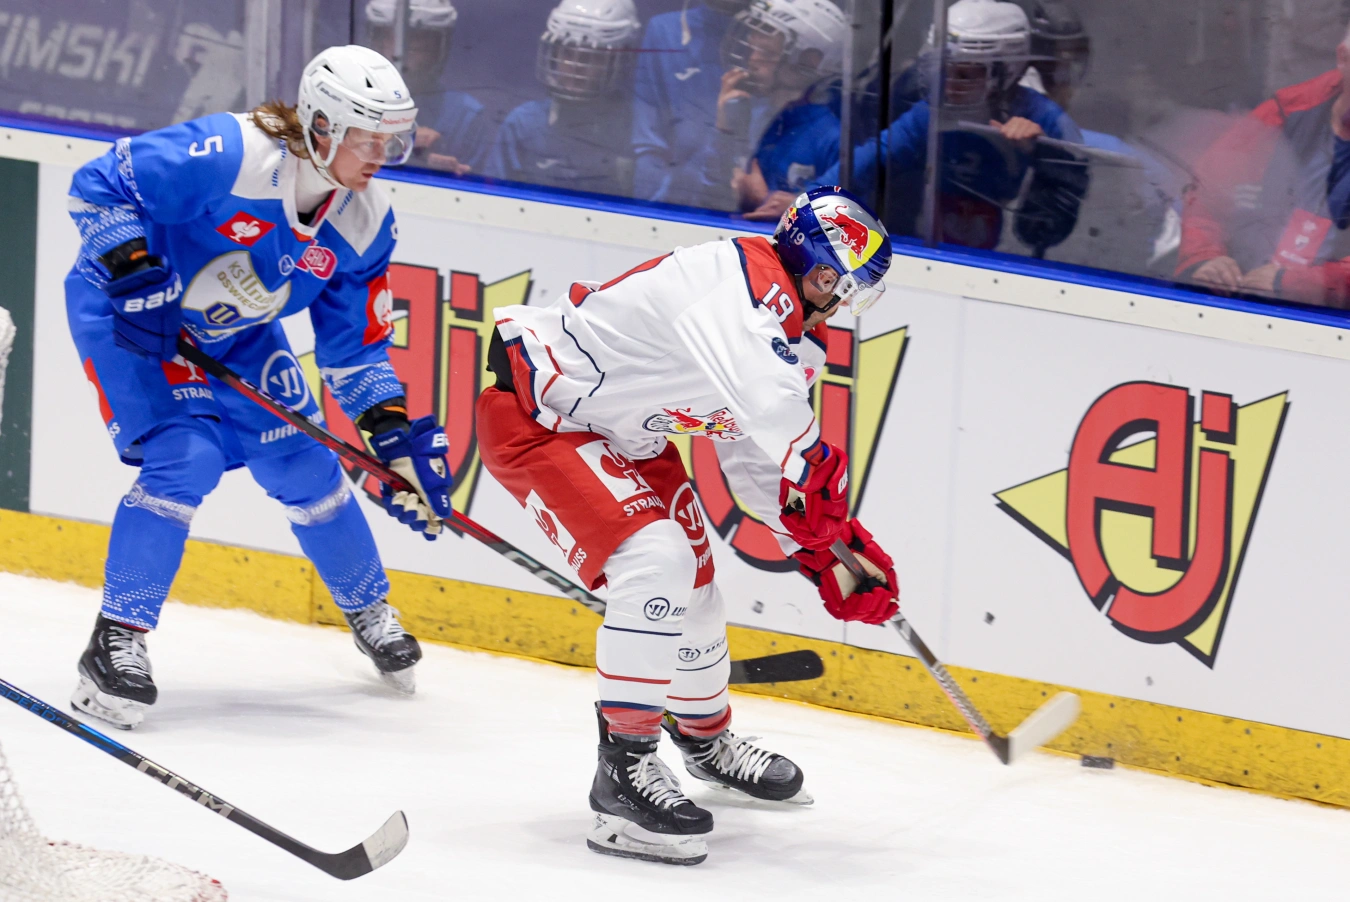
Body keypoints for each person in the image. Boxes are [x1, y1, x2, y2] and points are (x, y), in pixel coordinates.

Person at [477, 186, 900, 865]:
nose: (838, 301)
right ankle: (623, 772)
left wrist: (824, 550)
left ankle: (704, 740)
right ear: (808, 262)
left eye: (849, 291)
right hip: (542, 419)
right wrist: (818, 475)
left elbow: (754, 456)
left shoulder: (792, 336)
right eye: (835, 282)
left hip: (627, 436)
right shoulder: (738, 283)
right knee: (657, 565)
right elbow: (771, 409)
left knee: (696, 590)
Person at [65, 45, 455, 729]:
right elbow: (97, 183)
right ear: (322, 126)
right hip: (135, 317)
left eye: (392, 140)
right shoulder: (231, 153)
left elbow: (355, 350)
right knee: (186, 457)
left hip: (234, 331)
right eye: (369, 138)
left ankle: (368, 608)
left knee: (305, 463)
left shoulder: (364, 220)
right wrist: (131, 268)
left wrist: (393, 441)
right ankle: (115, 640)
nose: (382, 155)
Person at [808, 0, 1086, 253]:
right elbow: (871, 159)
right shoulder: (930, 111)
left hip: (1001, 261)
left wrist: (1042, 153)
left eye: (965, 74)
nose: (949, 85)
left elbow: (1044, 231)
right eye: (944, 69)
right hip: (922, 243)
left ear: (1006, 70)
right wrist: (809, 201)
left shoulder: (1046, 119)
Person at [1176, 28, 1350, 308]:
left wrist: (1299, 285)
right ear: (1343, 58)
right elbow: (1207, 191)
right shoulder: (1287, 112)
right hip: (1236, 305)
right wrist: (1205, 258)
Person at [700, 0, 848, 219]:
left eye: (767, 53)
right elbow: (708, 196)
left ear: (809, 63)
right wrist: (724, 132)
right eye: (751, 49)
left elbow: (843, 227)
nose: (751, 60)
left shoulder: (832, 139)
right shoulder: (753, 115)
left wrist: (766, 201)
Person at [485, 0, 642, 197]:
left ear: (616, 61)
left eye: (590, 56)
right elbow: (491, 197)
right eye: (567, 52)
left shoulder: (635, 132)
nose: (575, 65)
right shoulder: (523, 124)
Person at [631, 0, 752, 207]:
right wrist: (650, 213)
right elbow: (649, 146)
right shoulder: (664, 31)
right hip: (679, 204)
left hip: (743, 205)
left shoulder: (770, 39)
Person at [364, 0, 493, 176]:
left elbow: (480, 187)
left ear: (438, 49)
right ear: (376, 43)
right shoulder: (343, 98)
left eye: (417, 45)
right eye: (391, 39)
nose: (400, 55)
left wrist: (442, 170)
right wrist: (397, 141)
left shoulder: (466, 118)